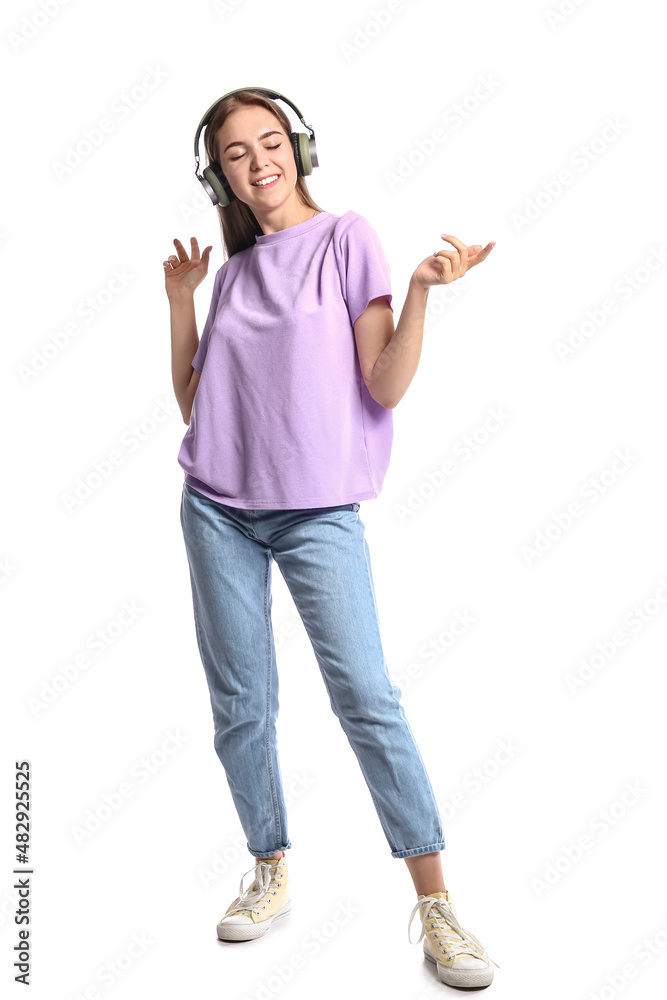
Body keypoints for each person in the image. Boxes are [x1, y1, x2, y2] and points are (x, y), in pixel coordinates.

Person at [164, 88, 499, 989]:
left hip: (316, 511)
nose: (257, 162)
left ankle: (436, 906)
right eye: (236, 154)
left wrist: (423, 294)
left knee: (366, 698)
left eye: (269, 143)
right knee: (241, 706)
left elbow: (381, 386)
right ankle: (269, 867)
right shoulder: (231, 275)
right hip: (217, 508)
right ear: (217, 176)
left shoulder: (349, 238)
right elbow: (197, 406)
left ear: (297, 149)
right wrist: (181, 302)